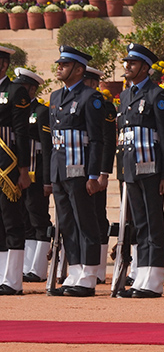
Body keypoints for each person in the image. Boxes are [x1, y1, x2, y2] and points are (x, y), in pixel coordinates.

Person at [116, 43, 164, 298]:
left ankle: (154, 279)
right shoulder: (126, 95)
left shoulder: (157, 95)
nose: (127, 66)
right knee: (139, 223)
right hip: (131, 167)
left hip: (151, 168)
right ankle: (142, 275)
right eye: (126, 62)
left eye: (132, 63)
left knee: (152, 222)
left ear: (145, 68)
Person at [48, 46, 104, 297]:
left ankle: (89, 274)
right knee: (67, 224)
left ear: (79, 69)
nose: (59, 67)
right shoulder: (55, 97)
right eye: (59, 63)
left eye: (65, 64)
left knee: (85, 222)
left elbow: (96, 139)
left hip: (80, 169)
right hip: (59, 169)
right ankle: (75, 272)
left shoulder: (90, 97)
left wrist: (94, 174)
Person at [0, 46, 32, 295]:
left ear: (3, 65)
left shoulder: (15, 91)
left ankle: (13, 280)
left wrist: (24, 169)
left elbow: (22, 133)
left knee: (12, 221)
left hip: (8, 167)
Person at [15, 68, 51, 284]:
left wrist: (48, 179)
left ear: (32, 89)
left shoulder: (41, 111)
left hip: (37, 174)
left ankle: (39, 268)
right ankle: (28, 266)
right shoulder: (17, 110)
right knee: (24, 219)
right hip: (20, 174)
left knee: (38, 217)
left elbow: (47, 149)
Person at [81, 66, 116, 285]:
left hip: (96, 171)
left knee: (96, 217)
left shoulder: (105, 107)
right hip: (76, 170)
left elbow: (107, 141)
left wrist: (103, 173)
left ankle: (99, 269)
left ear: (94, 84)